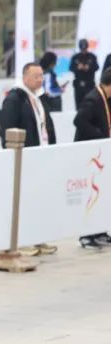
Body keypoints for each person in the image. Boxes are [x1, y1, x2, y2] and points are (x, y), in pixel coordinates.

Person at [74, 69, 111, 248]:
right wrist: (100, 136)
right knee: (90, 194)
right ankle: (86, 235)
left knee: (101, 193)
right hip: (89, 155)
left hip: (101, 155)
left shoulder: (106, 99)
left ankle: (99, 230)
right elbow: (79, 121)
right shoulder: (93, 99)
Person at [1, 62, 57, 148]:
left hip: (44, 148)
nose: (40, 80)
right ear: (25, 77)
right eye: (36, 77)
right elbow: (7, 131)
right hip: (25, 151)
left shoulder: (40, 97)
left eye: (41, 76)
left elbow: (47, 125)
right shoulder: (14, 99)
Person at [70, 39, 100, 112]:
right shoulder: (75, 57)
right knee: (79, 105)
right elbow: (71, 68)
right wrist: (78, 68)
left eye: (85, 49)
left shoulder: (92, 57)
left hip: (89, 84)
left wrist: (89, 68)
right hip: (78, 85)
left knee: (91, 104)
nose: (83, 50)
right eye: (82, 49)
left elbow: (96, 67)